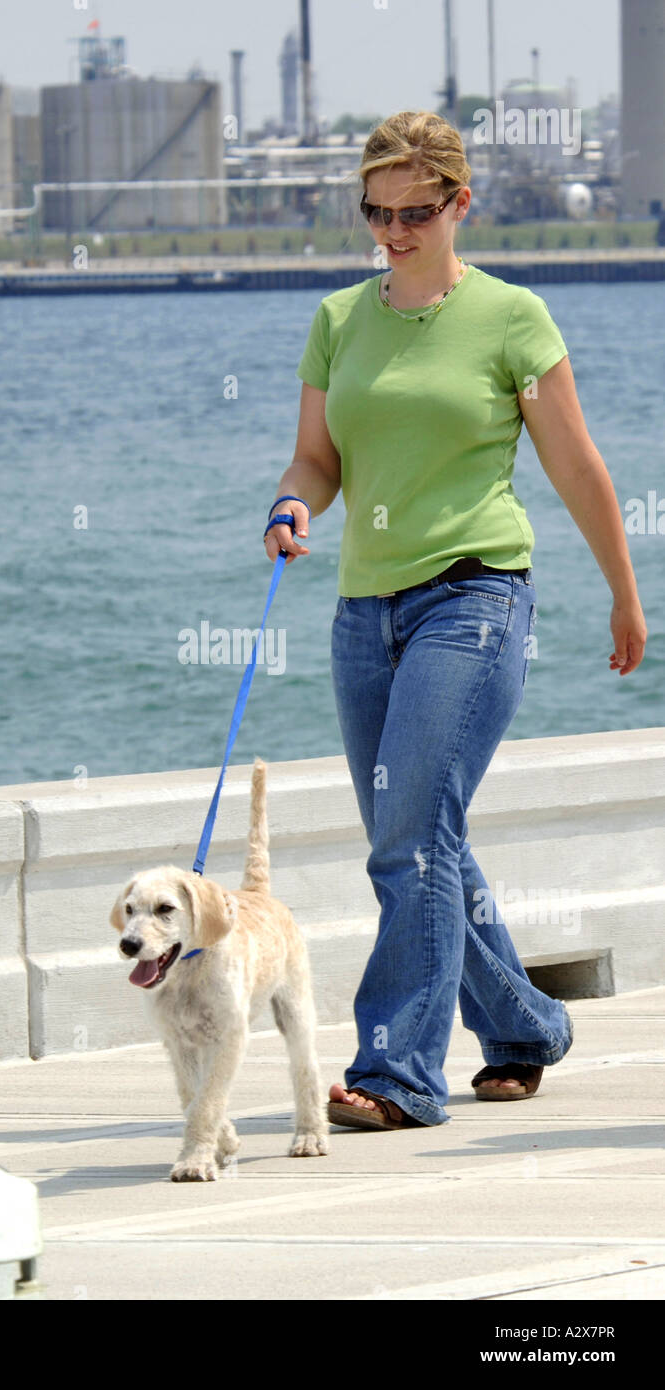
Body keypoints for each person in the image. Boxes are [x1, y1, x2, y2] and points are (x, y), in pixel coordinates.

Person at [263, 110, 647, 1131]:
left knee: (405, 841)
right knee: (419, 836)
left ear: (458, 204)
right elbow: (318, 460)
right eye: (375, 214)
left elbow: (573, 463)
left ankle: (393, 1070)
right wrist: (293, 501)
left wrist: (621, 588)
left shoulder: (511, 318)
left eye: (413, 213)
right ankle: (521, 1026)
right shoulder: (339, 320)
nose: (391, 232)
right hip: (362, 615)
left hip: (474, 598)